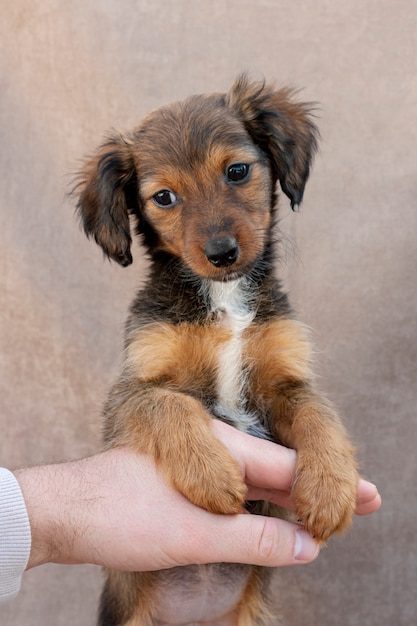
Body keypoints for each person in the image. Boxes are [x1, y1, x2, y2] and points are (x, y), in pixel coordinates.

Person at [0, 420, 381, 603]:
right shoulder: (157, 322)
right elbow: (137, 399)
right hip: (143, 604)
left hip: (240, 606)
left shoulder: (275, 323)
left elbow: (295, 393)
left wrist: (324, 447)